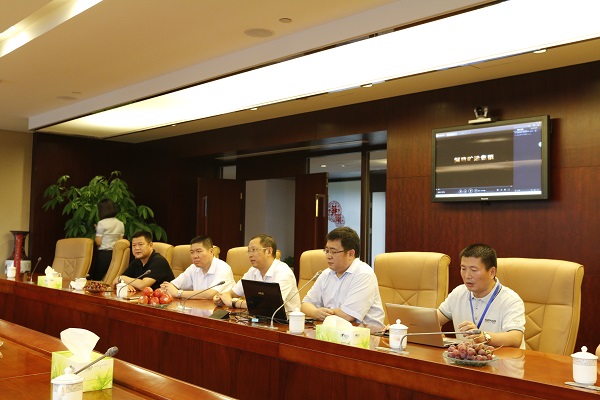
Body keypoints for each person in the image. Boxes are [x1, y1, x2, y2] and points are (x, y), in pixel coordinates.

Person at [436, 243, 526, 348]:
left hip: (501, 357)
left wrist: (484, 336)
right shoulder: (458, 293)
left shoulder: (510, 300)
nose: (467, 276)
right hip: (467, 357)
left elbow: (515, 338)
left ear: (492, 272)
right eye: (463, 269)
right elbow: (433, 320)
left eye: (474, 270)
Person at [301, 227, 385, 330]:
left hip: (366, 334)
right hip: (333, 332)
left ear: (351, 254)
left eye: (333, 252)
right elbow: (305, 305)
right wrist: (316, 312)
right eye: (326, 251)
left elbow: (348, 315)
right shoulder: (326, 274)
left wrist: (323, 313)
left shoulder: (364, 273)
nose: (328, 256)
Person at [213, 234, 299, 313]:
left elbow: (270, 306)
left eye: (254, 250)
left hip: (285, 322)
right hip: (259, 318)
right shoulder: (253, 271)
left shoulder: (283, 272)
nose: (250, 255)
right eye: (249, 251)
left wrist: (234, 303)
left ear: (269, 251)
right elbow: (232, 293)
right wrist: (221, 298)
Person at [161, 235, 235, 300]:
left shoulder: (223, 268)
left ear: (211, 251)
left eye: (199, 251)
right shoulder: (193, 268)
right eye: (192, 252)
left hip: (221, 309)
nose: (195, 256)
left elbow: (211, 294)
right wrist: (167, 288)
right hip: (198, 307)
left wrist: (178, 293)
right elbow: (173, 285)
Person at [88, 199, 124, 281]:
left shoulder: (102, 223)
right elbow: (121, 241)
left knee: (97, 278)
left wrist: (97, 230)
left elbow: (98, 242)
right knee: (111, 277)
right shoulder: (120, 223)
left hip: (104, 255)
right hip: (116, 254)